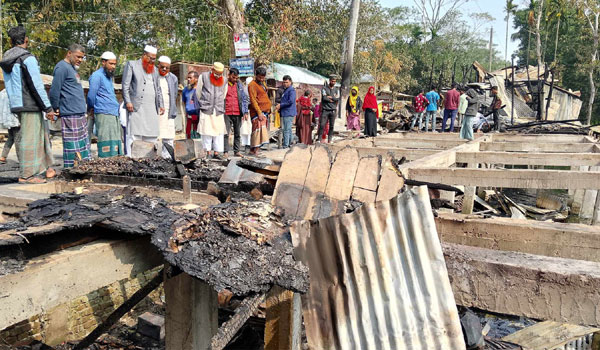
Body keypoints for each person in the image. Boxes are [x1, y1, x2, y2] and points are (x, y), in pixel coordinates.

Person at [0, 26, 56, 183]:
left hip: (16, 104)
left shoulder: (7, 58)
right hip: (30, 104)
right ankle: (28, 175)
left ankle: (40, 170)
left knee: (28, 138)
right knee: (31, 140)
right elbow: (36, 85)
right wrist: (48, 108)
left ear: (11, 41)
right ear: (26, 40)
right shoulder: (27, 58)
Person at [49, 43, 91, 168]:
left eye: (82, 57)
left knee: (82, 146)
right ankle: (72, 171)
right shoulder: (61, 67)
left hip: (79, 113)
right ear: (69, 53)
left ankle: (83, 169)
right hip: (70, 113)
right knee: (72, 146)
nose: (80, 60)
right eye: (78, 57)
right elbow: (54, 91)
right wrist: (55, 108)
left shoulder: (72, 69)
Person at [121, 45, 165, 155]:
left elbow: (158, 88)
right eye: (151, 58)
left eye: (154, 59)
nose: (152, 61)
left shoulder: (154, 70)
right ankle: (132, 159)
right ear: (144, 55)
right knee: (135, 135)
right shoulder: (132, 65)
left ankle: (149, 159)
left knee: (151, 135)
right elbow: (125, 85)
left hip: (151, 107)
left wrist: (161, 104)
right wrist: (128, 102)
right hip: (136, 106)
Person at [87, 51, 122, 158]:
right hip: (103, 112)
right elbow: (91, 95)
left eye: (115, 64)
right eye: (111, 64)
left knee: (114, 141)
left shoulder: (108, 77)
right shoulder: (97, 76)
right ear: (103, 62)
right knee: (106, 140)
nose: (113, 66)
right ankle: (105, 164)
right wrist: (90, 108)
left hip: (113, 113)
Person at [196, 62, 227, 158]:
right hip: (206, 108)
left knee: (218, 132)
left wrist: (218, 103)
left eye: (220, 74)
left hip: (218, 109)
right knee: (206, 131)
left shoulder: (225, 80)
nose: (218, 76)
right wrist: (204, 103)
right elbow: (198, 92)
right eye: (216, 73)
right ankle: (208, 152)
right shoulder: (203, 77)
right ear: (212, 69)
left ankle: (217, 153)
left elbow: (224, 94)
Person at [224, 67, 249, 158]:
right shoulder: (224, 84)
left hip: (238, 113)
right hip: (226, 112)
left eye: (236, 78)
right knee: (226, 133)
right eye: (233, 77)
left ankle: (236, 151)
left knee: (237, 133)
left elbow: (244, 98)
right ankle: (225, 151)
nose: (235, 79)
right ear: (229, 75)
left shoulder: (240, 85)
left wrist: (245, 112)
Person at [156, 56, 178, 159]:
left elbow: (174, 94)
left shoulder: (173, 78)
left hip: (169, 109)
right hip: (156, 110)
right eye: (162, 67)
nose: (164, 69)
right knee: (155, 134)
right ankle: (152, 157)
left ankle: (167, 157)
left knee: (169, 135)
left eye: (167, 68)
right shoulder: (153, 76)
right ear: (158, 65)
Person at [248, 66, 271, 155]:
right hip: (258, 112)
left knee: (261, 131)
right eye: (260, 77)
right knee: (257, 131)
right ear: (256, 75)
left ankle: (255, 149)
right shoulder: (252, 85)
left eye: (263, 77)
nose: (261, 79)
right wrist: (259, 112)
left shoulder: (263, 83)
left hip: (264, 111)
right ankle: (255, 150)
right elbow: (253, 99)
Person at [0, 89, 20, 164]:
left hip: (7, 119)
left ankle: (3, 156)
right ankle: (21, 160)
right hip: (15, 119)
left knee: (11, 137)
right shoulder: (15, 91)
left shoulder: (2, 92)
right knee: (18, 139)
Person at [317, 75, 339, 143]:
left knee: (331, 126)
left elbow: (337, 98)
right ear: (330, 81)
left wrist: (330, 97)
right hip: (325, 110)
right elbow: (324, 98)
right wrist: (331, 99)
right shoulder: (324, 88)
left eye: (335, 81)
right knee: (322, 125)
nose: (333, 82)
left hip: (333, 110)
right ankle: (319, 139)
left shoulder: (336, 90)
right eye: (332, 81)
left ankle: (330, 139)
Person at [277, 75, 296, 148]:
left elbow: (290, 101)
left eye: (287, 82)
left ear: (290, 82)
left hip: (288, 112)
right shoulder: (286, 90)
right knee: (289, 129)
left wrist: (281, 105)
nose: (285, 84)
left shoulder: (291, 90)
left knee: (286, 130)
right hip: (285, 112)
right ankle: (290, 143)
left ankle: (285, 145)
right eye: (284, 82)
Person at [182, 71, 201, 139]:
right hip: (189, 117)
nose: (188, 79)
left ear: (196, 79)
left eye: (190, 78)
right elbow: (184, 102)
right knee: (189, 136)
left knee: (199, 136)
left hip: (199, 117)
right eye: (188, 78)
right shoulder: (185, 90)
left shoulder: (201, 90)